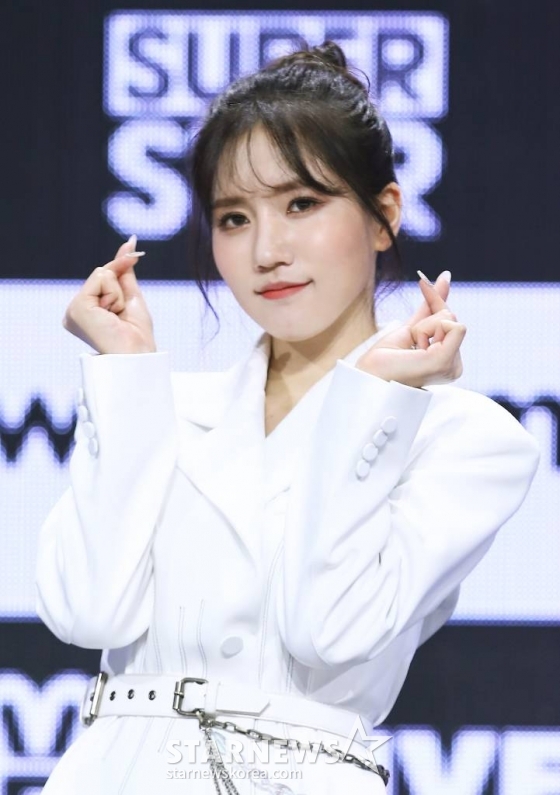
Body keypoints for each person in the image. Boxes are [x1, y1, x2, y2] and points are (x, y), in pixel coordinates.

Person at [35, 41, 539, 794]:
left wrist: (371, 401)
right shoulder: (160, 408)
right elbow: (88, 612)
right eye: (234, 218)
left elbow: (328, 627)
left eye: (302, 204)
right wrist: (126, 375)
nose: (267, 250)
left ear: (384, 215)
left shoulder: (465, 439)